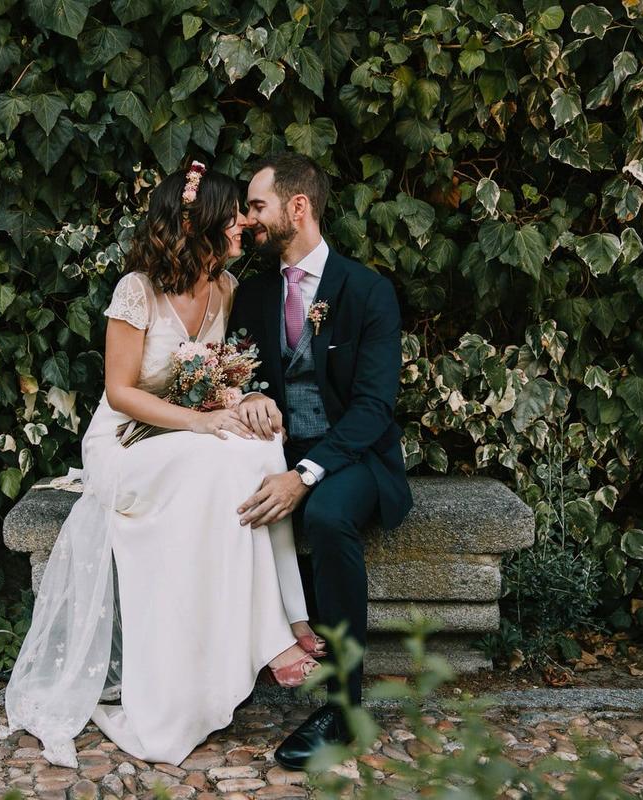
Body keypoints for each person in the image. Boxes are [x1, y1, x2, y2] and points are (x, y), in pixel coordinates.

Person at [5, 161, 324, 768]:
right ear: (199, 221)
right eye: (233, 216)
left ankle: (287, 616)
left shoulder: (225, 289)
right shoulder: (137, 289)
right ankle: (272, 636)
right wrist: (205, 421)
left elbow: (215, 379)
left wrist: (246, 401)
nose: (242, 227)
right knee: (218, 461)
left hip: (181, 435)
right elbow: (121, 392)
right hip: (124, 444)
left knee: (262, 446)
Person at [228, 152, 414, 770]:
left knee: (328, 515)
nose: (248, 218)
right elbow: (238, 369)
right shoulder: (253, 294)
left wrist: (305, 475)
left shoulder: (367, 291)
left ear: (296, 207)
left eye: (257, 206)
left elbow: (372, 408)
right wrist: (250, 392)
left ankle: (344, 708)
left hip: (355, 456)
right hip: (275, 448)